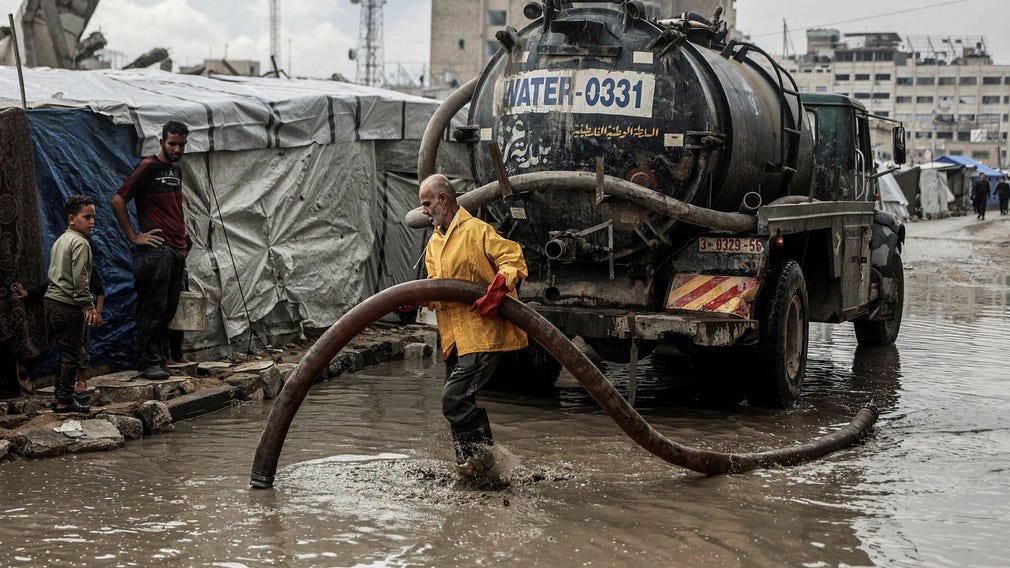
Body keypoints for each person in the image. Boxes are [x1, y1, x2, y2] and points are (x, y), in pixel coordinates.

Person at [416, 173, 529, 478]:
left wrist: (497, 289)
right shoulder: (434, 244)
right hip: (453, 339)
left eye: (427, 203)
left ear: (444, 199)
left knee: (453, 400)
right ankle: (473, 468)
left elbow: (514, 258)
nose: (424, 210)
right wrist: (412, 300)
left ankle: (483, 463)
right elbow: (435, 290)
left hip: (482, 335)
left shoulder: (477, 231)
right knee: (458, 404)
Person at [111, 121, 190, 380]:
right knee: (152, 309)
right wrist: (135, 236)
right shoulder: (148, 167)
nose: (177, 149)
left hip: (177, 248)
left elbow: (173, 208)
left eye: (181, 144)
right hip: (157, 251)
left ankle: (162, 357)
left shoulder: (175, 169)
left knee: (169, 309)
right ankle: (148, 362)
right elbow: (118, 199)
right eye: (172, 144)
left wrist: (183, 236)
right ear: (161, 142)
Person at [44, 195, 103, 413]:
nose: (92, 221)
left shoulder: (61, 240)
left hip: (51, 303)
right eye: (87, 217)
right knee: (72, 354)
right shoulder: (80, 242)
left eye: (93, 217)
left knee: (64, 352)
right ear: (71, 219)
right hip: (67, 305)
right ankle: (65, 401)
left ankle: (61, 395)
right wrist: (88, 306)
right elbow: (80, 278)